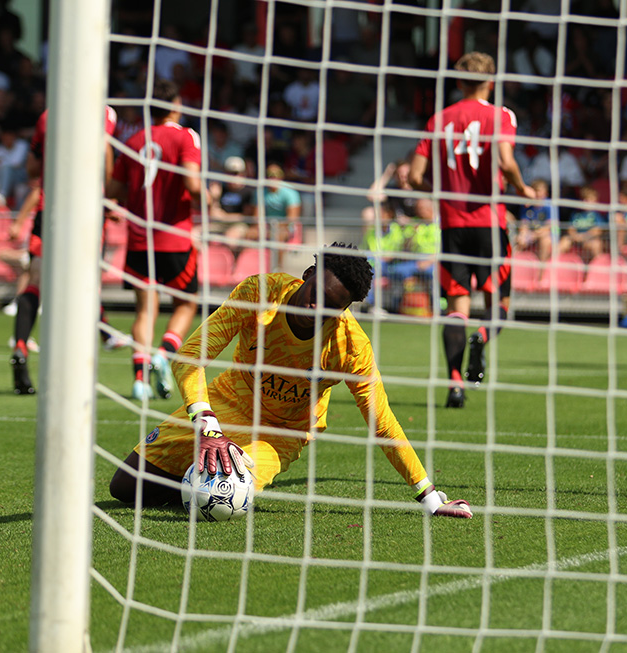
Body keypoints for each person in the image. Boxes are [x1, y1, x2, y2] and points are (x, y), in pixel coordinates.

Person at [108, 242, 472, 519]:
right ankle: (194, 474)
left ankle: (199, 479)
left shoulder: (350, 346)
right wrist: (207, 423)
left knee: (221, 504)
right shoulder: (258, 293)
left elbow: (382, 422)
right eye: (317, 296)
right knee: (124, 487)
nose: (317, 310)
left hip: (280, 432)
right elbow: (190, 356)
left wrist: (428, 494)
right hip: (227, 401)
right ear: (309, 274)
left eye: (331, 307)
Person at [408, 51, 535, 408]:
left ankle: (454, 386)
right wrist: (523, 189)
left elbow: (415, 177)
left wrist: (440, 192)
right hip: (489, 224)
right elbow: (506, 161)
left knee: (456, 308)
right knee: (499, 304)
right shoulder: (500, 116)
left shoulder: (438, 120)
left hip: (452, 227)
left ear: (458, 81)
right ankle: (482, 335)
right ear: (491, 81)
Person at [8, 104, 119, 395]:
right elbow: (105, 153)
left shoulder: (46, 115)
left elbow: (32, 168)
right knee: (84, 285)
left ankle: (20, 345)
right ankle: (79, 369)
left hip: (51, 208)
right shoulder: (103, 112)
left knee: (35, 280)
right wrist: (109, 196)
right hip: (86, 211)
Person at [106, 79, 202, 401]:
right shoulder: (186, 136)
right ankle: (164, 352)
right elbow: (191, 180)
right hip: (174, 238)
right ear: (176, 105)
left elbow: (113, 191)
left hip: (138, 240)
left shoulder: (133, 140)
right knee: (187, 303)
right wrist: (208, 195)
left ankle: (138, 380)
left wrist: (125, 204)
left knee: (144, 310)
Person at [514, 179, 555, 261]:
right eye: (535, 190)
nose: (537, 194)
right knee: (518, 240)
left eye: (539, 191)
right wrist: (523, 234)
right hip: (531, 234)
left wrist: (534, 235)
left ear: (545, 193)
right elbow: (523, 224)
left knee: (545, 241)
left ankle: (541, 269)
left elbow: (549, 227)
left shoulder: (549, 205)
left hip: (546, 234)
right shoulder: (527, 205)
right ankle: (514, 266)